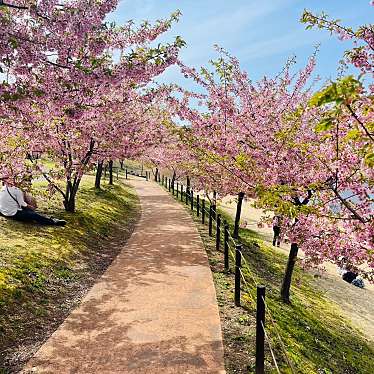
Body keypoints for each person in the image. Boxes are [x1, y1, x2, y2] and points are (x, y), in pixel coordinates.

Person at [0, 182, 66, 226]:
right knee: (33, 215)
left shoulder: (3, 188)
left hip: (4, 211)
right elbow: (23, 204)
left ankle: (49, 218)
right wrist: (31, 207)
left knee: (31, 213)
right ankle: (53, 222)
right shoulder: (16, 191)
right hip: (13, 213)